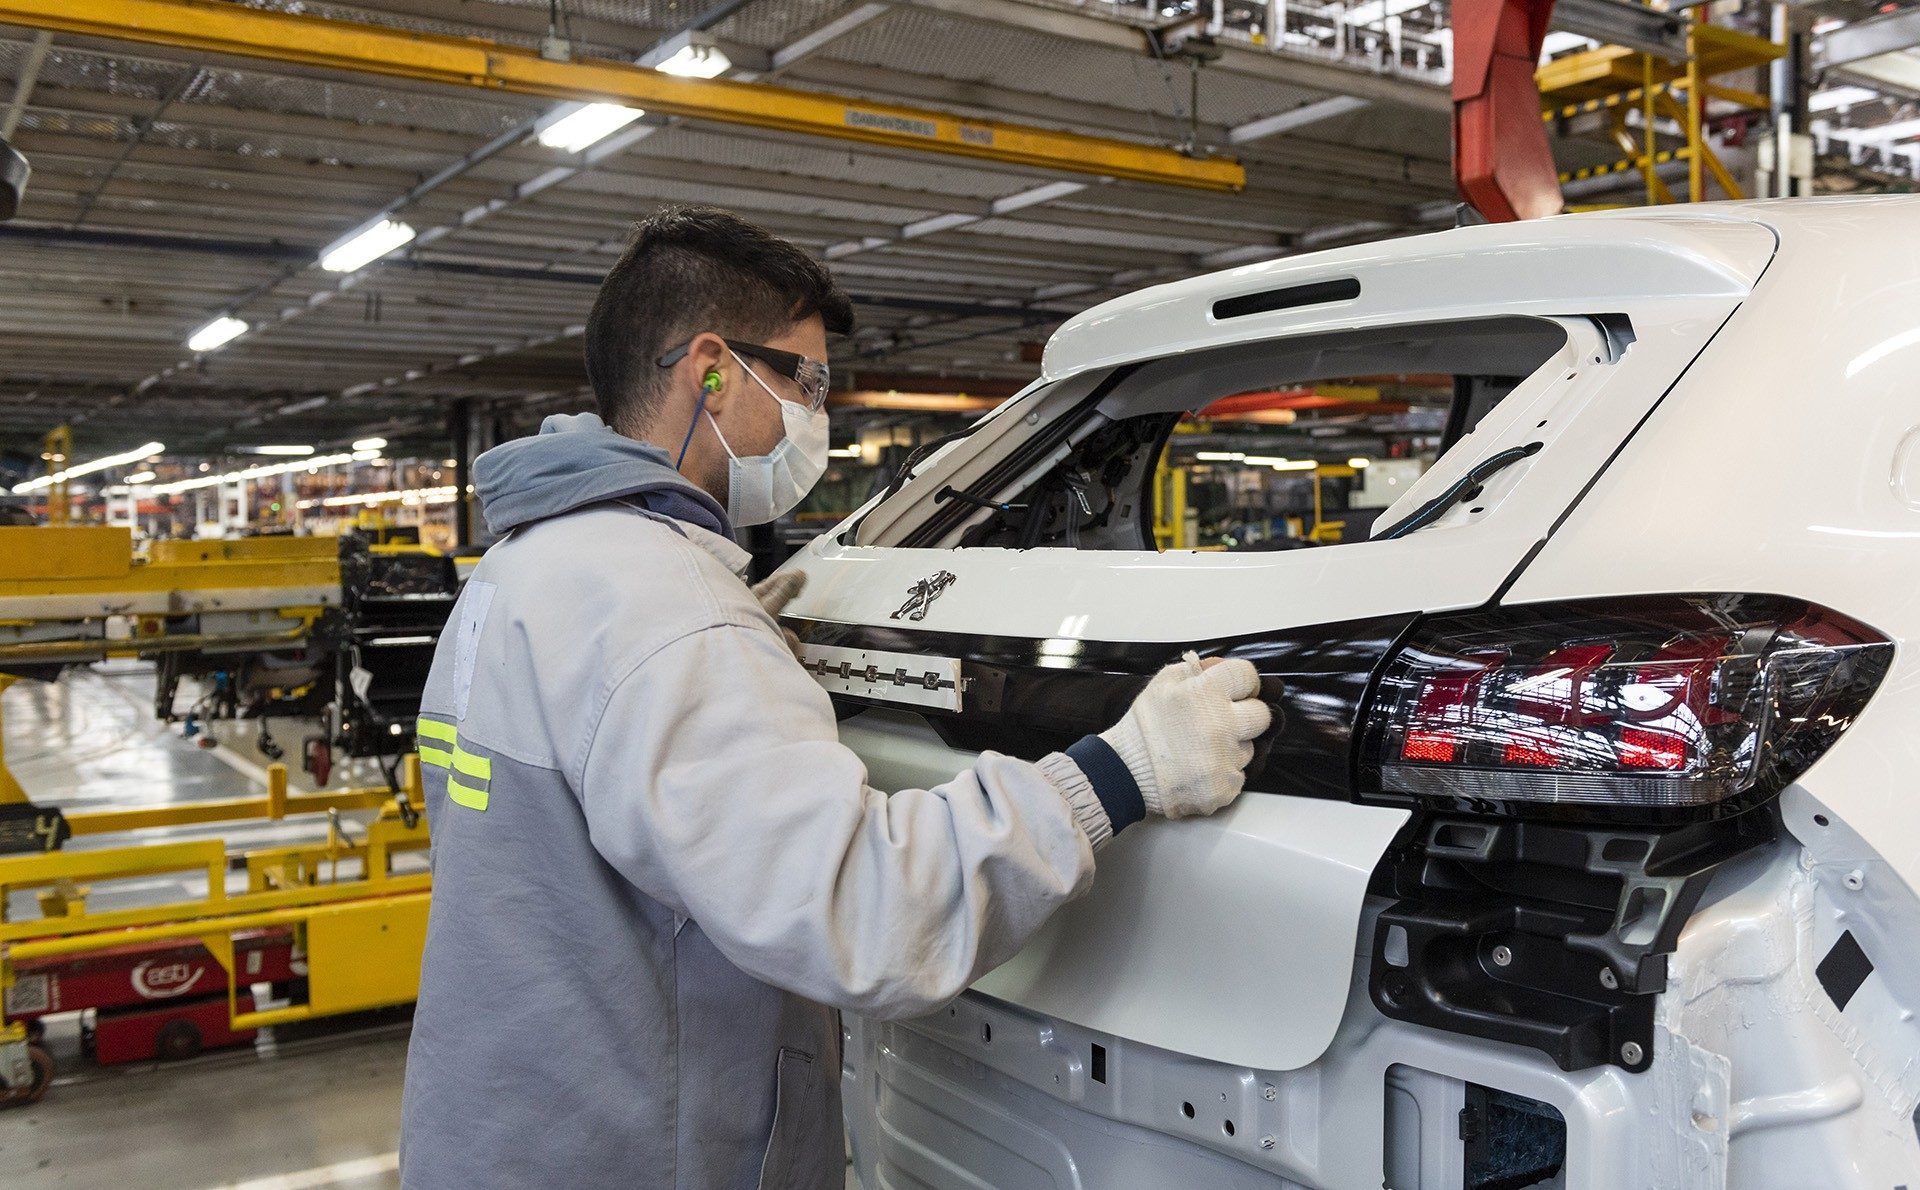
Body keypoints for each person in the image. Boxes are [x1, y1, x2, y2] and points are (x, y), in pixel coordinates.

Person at [397, 206, 1271, 1189]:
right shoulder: (674, 617)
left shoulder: (527, 565)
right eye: (807, 382)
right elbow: (864, 909)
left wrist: (741, 650)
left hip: (509, 1132)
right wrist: (1118, 774)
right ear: (713, 370)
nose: (822, 413)